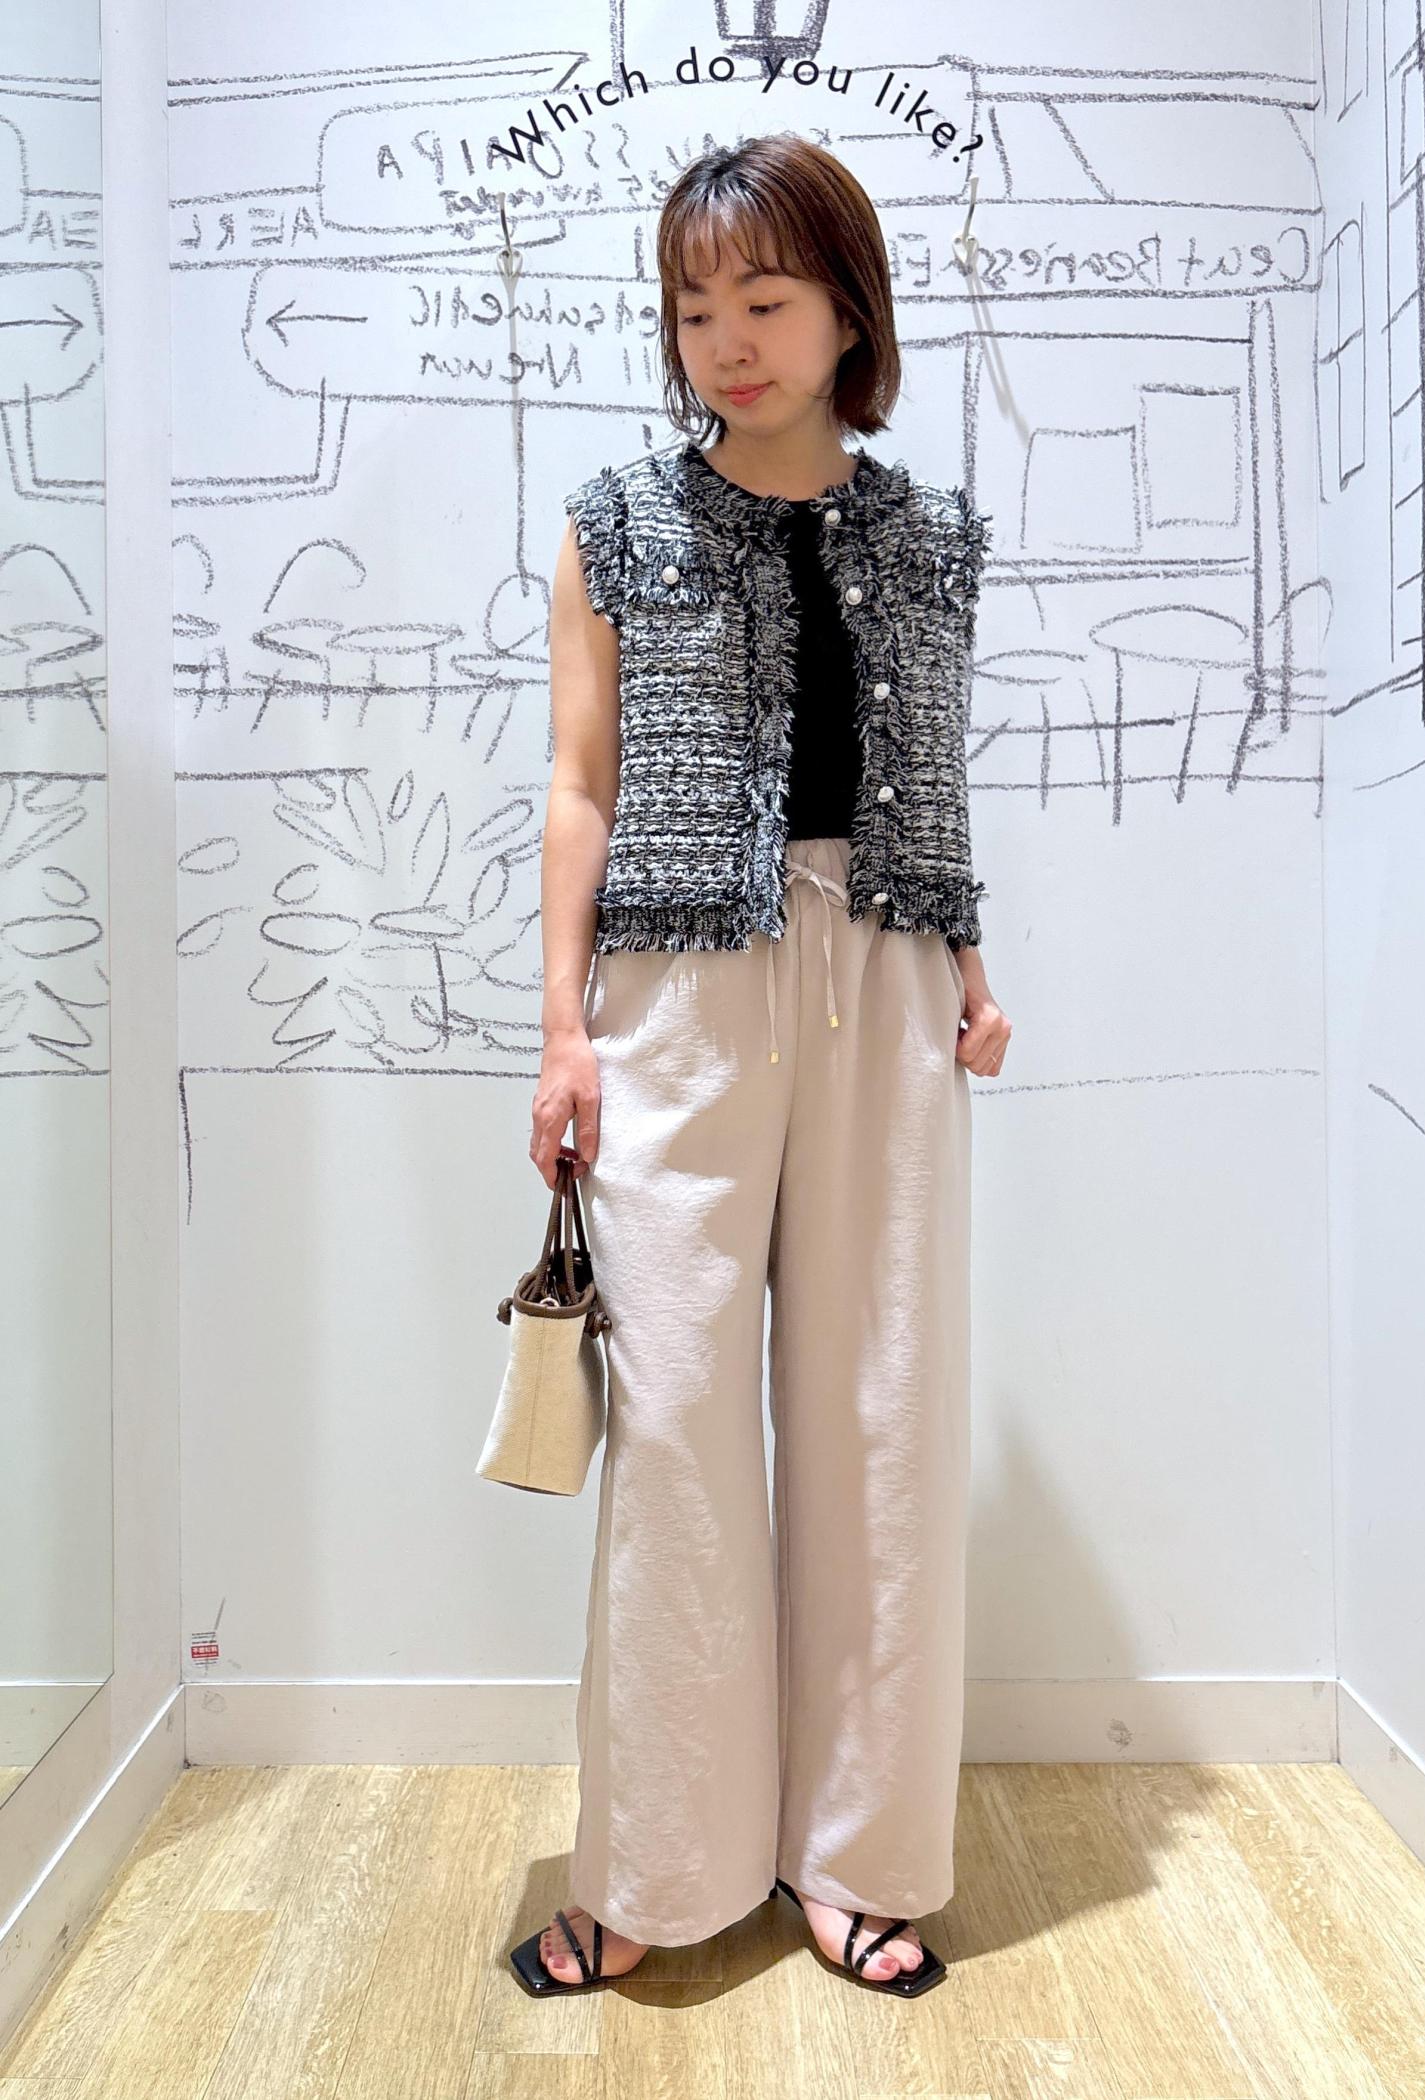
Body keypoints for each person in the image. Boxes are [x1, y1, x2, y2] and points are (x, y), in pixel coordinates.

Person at [513, 133, 1013, 1999]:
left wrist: (973, 968)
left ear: (847, 312)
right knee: (676, 1426)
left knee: (885, 1411)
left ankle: (858, 1855)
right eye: (693, 308)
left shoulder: (931, 534)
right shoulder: (616, 520)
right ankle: (660, 1862)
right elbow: (578, 785)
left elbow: (930, 785)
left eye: (765, 300)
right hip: (675, 985)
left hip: (886, 974)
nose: (725, 339)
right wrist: (562, 1030)